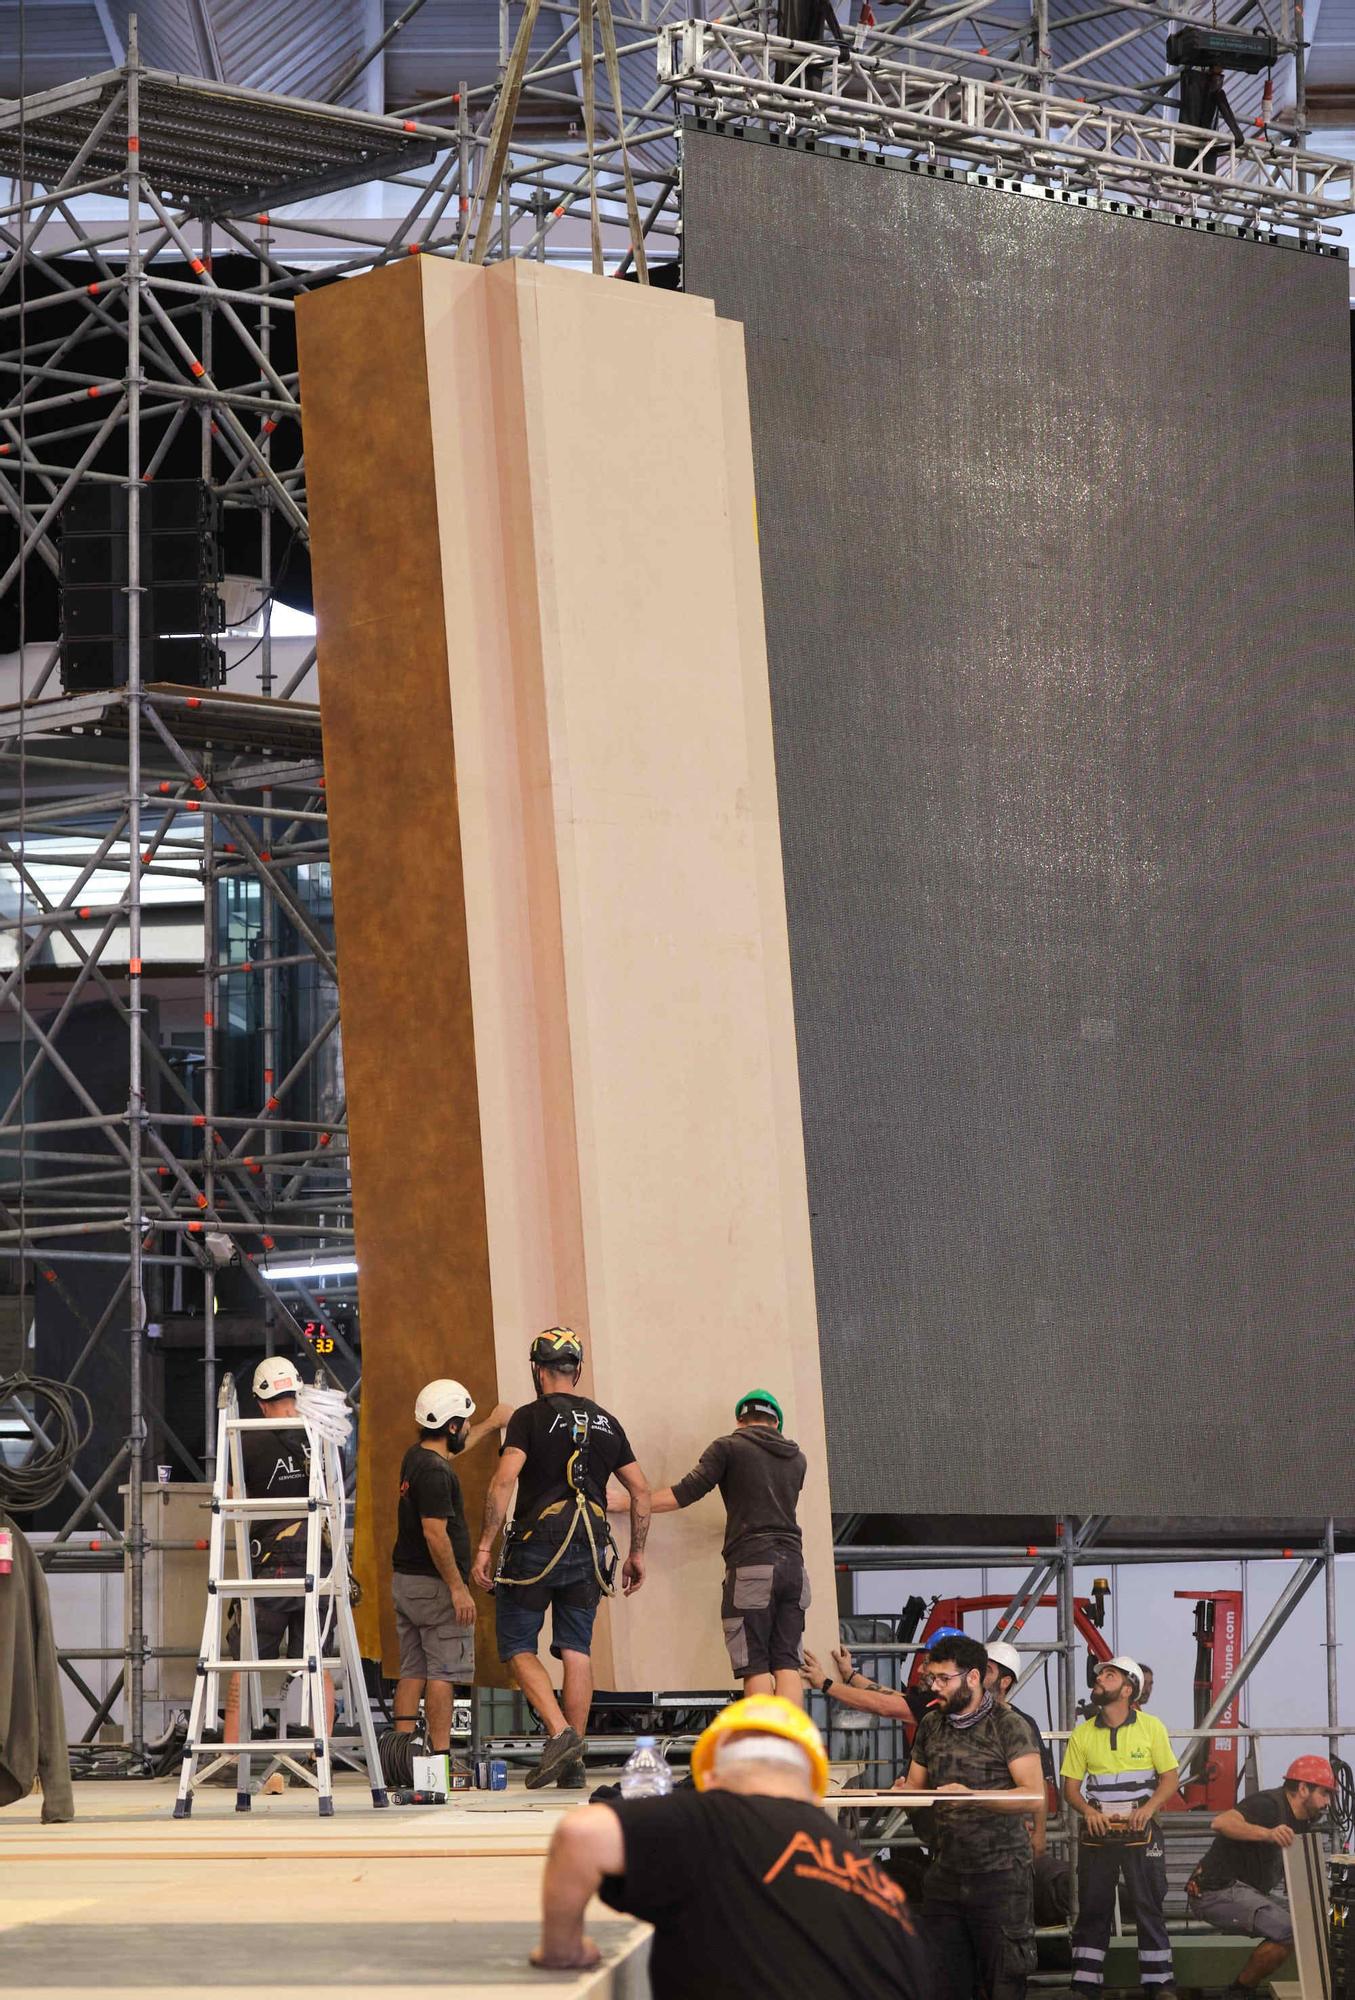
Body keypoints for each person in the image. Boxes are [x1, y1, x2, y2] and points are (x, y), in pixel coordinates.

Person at [530, 1693, 927, 1997]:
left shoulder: (715, 1820)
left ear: (711, 1774)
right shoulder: (877, 1888)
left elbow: (580, 1836)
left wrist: (563, 1951)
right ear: (813, 1783)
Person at [471, 1328, 650, 1789]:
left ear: (537, 1370)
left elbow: (503, 1480)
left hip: (539, 1541)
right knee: (577, 1649)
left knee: (516, 1644)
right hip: (590, 1544)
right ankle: (572, 1765)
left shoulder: (529, 1418)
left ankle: (562, 1735)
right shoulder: (609, 1422)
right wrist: (637, 1554)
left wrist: (486, 1544)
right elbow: (641, 1490)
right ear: (578, 1370)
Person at [892, 1633, 1043, 2000]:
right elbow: (917, 1786)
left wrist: (973, 1797)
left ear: (973, 1678)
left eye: (945, 1679)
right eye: (933, 1679)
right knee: (945, 1983)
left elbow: (1033, 1795)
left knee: (1003, 1984)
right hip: (945, 1874)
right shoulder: (931, 1724)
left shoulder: (1008, 1726)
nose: (936, 1687)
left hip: (1000, 1877)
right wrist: (906, 1795)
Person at [640, 1388, 809, 1703]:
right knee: (787, 1662)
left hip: (752, 1565)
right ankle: (791, 1747)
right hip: (795, 1569)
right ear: (777, 1423)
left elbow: (684, 1492)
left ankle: (763, 1747)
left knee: (755, 1664)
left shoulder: (729, 1448)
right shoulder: (797, 1459)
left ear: (740, 1419)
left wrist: (632, 1502)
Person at [221, 1357, 333, 1784]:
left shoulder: (245, 1440)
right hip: (317, 1563)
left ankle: (232, 1756)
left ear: (261, 1402)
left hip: (267, 1565)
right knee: (318, 1659)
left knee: (246, 1659)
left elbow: (231, 1499)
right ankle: (316, 1753)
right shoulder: (319, 1436)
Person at [390, 1377, 511, 1758]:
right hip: (436, 1588)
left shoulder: (418, 1458)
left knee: (413, 1669)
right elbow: (435, 1534)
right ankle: (439, 1761)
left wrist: (491, 1425)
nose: (469, 1427)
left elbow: (449, 1456)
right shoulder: (437, 1473)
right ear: (452, 1426)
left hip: (406, 1584)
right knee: (444, 1672)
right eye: (467, 1421)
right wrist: (458, 1588)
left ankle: (402, 1758)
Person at [1062, 1656, 1180, 1997]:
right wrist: (1088, 1811)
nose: (1099, 1679)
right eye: (1101, 1675)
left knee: (1148, 1904)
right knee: (1093, 1906)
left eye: (1109, 1675)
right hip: (1098, 1833)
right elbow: (1070, 1788)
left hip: (1141, 1831)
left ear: (1128, 1689)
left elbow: (1169, 1779)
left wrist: (1149, 1808)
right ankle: (1085, 1984)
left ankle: (1159, 1984)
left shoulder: (1152, 1727)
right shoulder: (1082, 1734)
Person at [1188, 1754, 1333, 1997]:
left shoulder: (1301, 1822)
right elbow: (1221, 1822)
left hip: (1245, 1892)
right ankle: (1239, 1992)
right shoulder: (1267, 1804)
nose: (1328, 1802)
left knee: (1306, 1923)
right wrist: (1268, 1834)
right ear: (1303, 1788)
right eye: (1324, 1793)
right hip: (1214, 1890)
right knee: (1290, 1929)